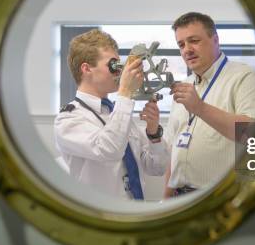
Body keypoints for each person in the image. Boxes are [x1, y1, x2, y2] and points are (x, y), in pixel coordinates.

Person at [152, 12, 255, 197]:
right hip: (180, 197)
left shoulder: (244, 77)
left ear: (215, 39)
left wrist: (200, 108)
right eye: (181, 44)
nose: (187, 49)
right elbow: (175, 150)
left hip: (222, 198)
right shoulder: (184, 86)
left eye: (194, 40)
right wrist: (166, 198)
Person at [54, 29, 169, 200]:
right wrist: (125, 93)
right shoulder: (68, 119)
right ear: (86, 69)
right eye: (113, 65)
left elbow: (157, 168)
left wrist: (154, 134)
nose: (119, 72)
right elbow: (109, 150)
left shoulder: (117, 112)